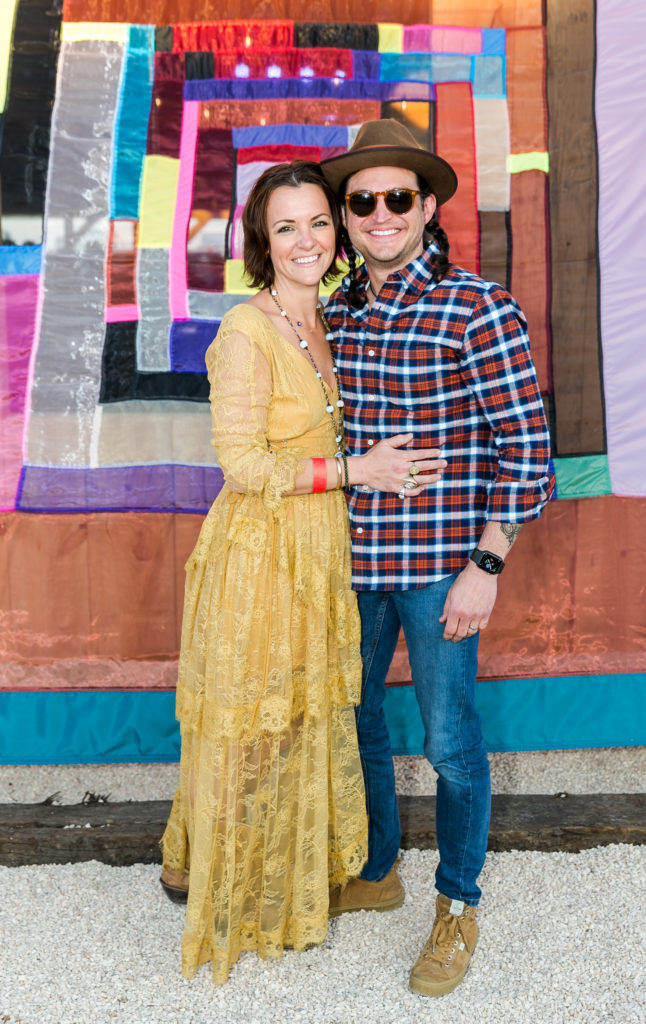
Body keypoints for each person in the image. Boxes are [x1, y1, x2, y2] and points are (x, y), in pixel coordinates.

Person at [159, 160, 446, 984]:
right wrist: (357, 471)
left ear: (339, 231)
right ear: (262, 239)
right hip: (261, 555)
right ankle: (234, 888)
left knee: (309, 719)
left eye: (319, 222)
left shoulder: (331, 317)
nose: (307, 240)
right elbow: (243, 464)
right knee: (253, 727)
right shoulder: (245, 333)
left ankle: (286, 867)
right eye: (286, 226)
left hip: (322, 552)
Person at [320, 121, 555, 997]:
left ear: (427, 207)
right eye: (361, 201)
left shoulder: (476, 308)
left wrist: (485, 568)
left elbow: (527, 452)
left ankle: (456, 903)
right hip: (349, 566)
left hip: (439, 567)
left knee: (450, 742)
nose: (380, 214)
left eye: (398, 198)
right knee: (355, 722)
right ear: (344, 216)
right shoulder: (330, 312)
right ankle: (380, 870)